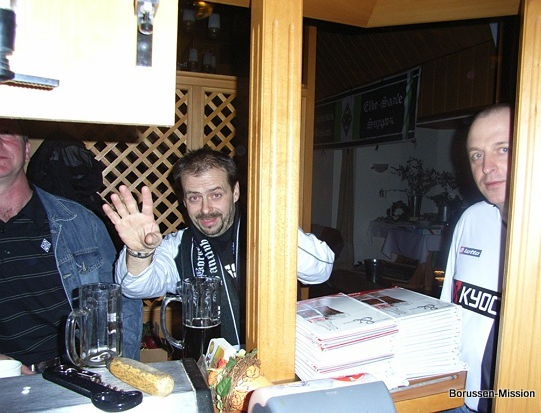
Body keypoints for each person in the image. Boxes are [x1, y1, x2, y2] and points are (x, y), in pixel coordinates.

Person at [103, 147, 334, 347]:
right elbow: (134, 288)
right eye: (194, 198)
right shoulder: (179, 246)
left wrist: (275, 224)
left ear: (235, 192)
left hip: (275, 358)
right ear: (184, 201)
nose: (205, 209)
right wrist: (139, 252)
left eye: (215, 194)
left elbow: (321, 270)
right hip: (211, 369)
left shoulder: (265, 229)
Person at [0, 119, 142, 374]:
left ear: (27, 150)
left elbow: (123, 307)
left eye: (6, 132)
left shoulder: (81, 222)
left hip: (74, 378)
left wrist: (119, 375)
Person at [440, 103, 512, 412]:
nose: (487, 167)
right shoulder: (471, 219)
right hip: (460, 399)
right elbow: (450, 311)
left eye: (503, 149)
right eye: (477, 155)